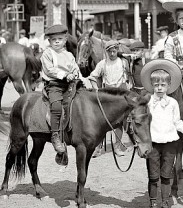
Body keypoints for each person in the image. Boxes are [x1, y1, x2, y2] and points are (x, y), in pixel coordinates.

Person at [140, 58, 183, 208]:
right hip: (153, 144)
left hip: (170, 144)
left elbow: (177, 122)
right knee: (153, 176)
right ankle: (153, 207)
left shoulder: (172, 103)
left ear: (168, 86)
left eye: (163, 85)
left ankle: (165, 205)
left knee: (166, 176)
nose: (159, 88)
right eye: (156, 85)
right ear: (151, 86)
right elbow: (141, 121)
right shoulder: (148, 102)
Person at [40, 24, 84, 154]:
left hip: (70, 84)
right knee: (57, 107)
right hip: (55, 85)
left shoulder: (69, 55)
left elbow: (75, 68)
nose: (57, 41)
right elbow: (50, 70)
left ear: (65, 40)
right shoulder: (47, 53)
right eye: (54, 39)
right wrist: (65, 75)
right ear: (49, 41)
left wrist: (77, 76)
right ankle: (55, 136)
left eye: (60, 39)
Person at [88, 39, 132, 157]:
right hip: (107, 95)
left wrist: (128, 86)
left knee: (119, 122)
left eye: (114, 51)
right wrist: (96, 89)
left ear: (117, 50)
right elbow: (92, 76)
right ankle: (98, 147)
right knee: (102, 122)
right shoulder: (102, 64)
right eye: (109, 52)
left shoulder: (123, 62)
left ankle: (117, 146)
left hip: (120, 95)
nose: (112, 54)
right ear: (106, 52)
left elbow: (129, 76)